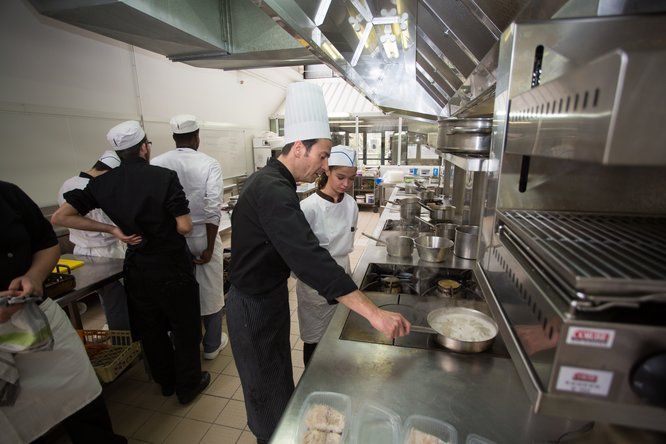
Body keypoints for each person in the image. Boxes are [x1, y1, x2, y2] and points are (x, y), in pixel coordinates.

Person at [228, 82, 411, 443]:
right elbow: (309, 258)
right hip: (252, 307)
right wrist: (373, 313)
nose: (325, 165)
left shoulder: (275, 183)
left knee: (280, 383)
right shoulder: (272, 191)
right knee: (267, 394)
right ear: (299, 147)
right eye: (323, 156)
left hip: (268, 298)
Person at [52, 121, 209, 405]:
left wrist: (113, 230)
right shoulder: (163, 177)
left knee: (152, 328)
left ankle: (166, 382)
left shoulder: (101, 183)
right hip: (171, 265)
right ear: (144, 147)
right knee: (184, 327)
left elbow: (60, 217)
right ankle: (188, 385)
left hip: (137, 266)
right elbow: (184, 226)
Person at [0, 181, 126, 443]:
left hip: (37, 315)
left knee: (83, 393)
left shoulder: (7, 194)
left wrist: (34, 277)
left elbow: (46, 243)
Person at [152, 114, 228, 360]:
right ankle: (212, 345)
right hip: (203, 233)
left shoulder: (156, 163)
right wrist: (207, 247)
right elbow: (212, 207)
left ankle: (184, 344)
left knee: (178, 292)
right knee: (210, 290)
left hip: (172, 239)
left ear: (174, 138)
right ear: (197, 137)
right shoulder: (209, 163)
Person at [296, 145, 359, 366]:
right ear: (327, 171)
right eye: (341, 177)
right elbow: (298, 257)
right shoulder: (308, 207)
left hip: (343, 277)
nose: (346, 184)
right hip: (315, 287)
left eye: (351, 179)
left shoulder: (351, 204)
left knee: (338, 336)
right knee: (314, 340)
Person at [57, 150, 130, 331]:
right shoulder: (97, 187)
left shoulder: (68, 183)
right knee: (116, 300)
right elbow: (111, 223)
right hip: (106, 253)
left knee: (107, 298)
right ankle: (123, 341)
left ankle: (116, 329)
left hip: (80, 251)